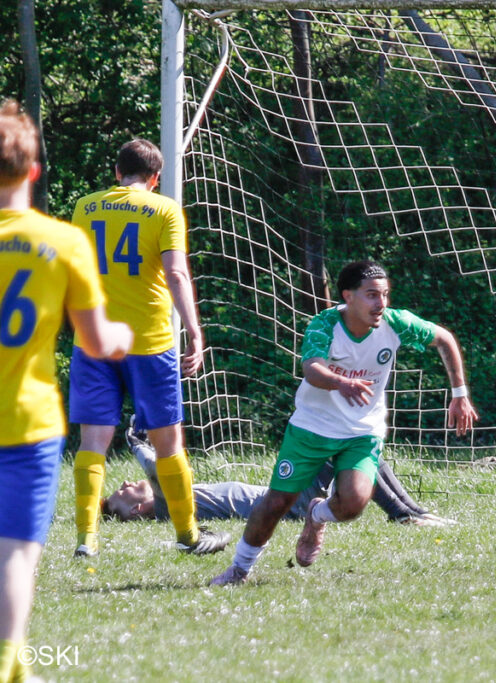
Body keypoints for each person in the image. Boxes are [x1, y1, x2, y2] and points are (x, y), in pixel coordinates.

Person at [211, 260, 477, 585]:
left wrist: (459, 394)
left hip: (362, 431)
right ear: (348, 296)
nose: (381, 303)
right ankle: (239, 570)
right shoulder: (325, 325)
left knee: (353, 504)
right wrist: (341, 383)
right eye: (371, 295)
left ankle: (316, 516)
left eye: (385, 295)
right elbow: (312, 369)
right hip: (312, 427)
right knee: (277, 502)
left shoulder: (396, 323)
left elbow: (444, 338)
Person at [0, 100, 133, 682]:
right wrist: (125, 335)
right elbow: (99, 341)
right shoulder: (63, 241)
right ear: (33, 170)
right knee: (15, 553)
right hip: (27, 425)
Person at [68, 138, 229, 557]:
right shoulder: (164, 209)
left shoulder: (85, 206)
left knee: (92, 441)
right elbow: (176, 274)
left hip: (94, 339)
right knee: (168, 443)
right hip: (149, 342)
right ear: (155, 178)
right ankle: (188, 535)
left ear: (117, 172)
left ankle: (86, 539)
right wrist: (194, 330)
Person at [103, 417, 455, 527]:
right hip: (289, 504)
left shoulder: (175, 500)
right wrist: (135, 442)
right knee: (349, 450)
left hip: (288, 497)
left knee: (357, 451)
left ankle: (411, 512)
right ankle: (404, 515)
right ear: (137, 510)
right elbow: (158, 467)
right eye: (122, 492)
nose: (125, 482)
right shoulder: (168, 505)